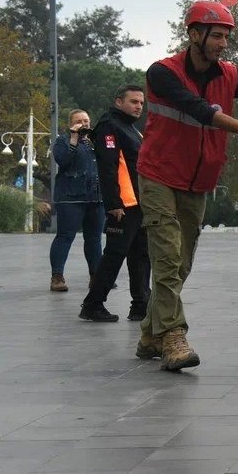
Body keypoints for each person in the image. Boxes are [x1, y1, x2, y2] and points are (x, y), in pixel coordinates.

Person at [135, 0, 238, 371]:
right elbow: (201, 110)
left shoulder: (231, 75)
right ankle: (174, 337)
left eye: (226, 37)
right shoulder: (163, 72)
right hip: (158, 175)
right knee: (167, 257)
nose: (223, 43)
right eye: (217, 36)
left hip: (199, 181)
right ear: (195, 34)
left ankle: (150, 333)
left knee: (181, 263)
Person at [80, 86, 149, 322]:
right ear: (119, 102)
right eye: (133, 101)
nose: (139, 106)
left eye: (141, 102)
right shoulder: (109, 126)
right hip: (123, 205)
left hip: (139, 204)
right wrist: (113, 203)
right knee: (114, 255)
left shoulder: (130, 128)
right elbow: (108, 168)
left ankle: (141, 305)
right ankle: (93, 304)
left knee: (141, 254)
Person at [49, 109, 104, 293]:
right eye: (79, 121)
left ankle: (96, 277)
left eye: (86, 120)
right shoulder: (62, 141)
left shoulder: (95, 142)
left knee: (94, 239)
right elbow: (62, 160)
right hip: (70, 198)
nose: (84, 124)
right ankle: (57, 277)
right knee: (65, 237)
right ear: (71, 124)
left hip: (96, 198)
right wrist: (73, 138)